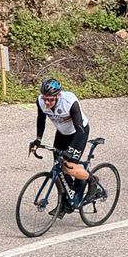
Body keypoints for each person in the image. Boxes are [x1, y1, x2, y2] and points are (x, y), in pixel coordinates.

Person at [29, 79, 99, 216]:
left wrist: (70, 151)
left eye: (50, 100)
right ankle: (66, 202)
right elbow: (41, 120)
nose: (47, 103)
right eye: (45, 99)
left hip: (79, 133)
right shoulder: (41, 102)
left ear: (58, 96)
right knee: (57, 166)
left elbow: (80, 130)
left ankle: (92, 181)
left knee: (69, 165)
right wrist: (38, 139)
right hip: (62, 133)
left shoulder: (70, 102)